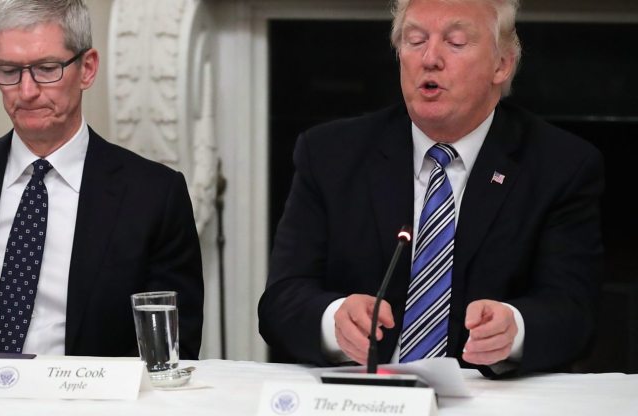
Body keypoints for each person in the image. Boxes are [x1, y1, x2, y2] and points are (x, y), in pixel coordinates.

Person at [258, 0, 603, 377]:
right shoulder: (329, 155)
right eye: (415, 40)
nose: (430, 58)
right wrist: (333, 321)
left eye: (455, 42)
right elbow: (281, 303)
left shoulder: (560, 165)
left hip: (487, 399)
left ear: (501, 64)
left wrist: (515, 328)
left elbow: (575, 313)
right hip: (360, 396)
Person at [0, 0, 203, 359]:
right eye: (9, 70)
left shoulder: (153, 196)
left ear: (87, 69)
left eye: (47, 69)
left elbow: (172, 345)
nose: (27, 90)